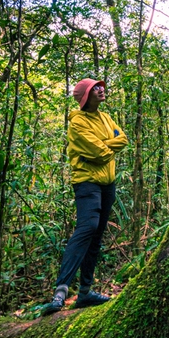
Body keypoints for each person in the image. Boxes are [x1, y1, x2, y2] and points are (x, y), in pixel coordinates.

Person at [42, 78, 128, 315]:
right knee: (87, 227)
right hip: (86, 181)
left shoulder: (106, 117)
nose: (101, 90)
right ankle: (60, 292)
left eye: (101, 87)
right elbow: (100, 153)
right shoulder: (77, 123)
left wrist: (104, 145)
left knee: (97, 233)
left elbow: (123, 139)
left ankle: (85, 292)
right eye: (95, 89)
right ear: (85, 97)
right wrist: (106, 146)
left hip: (107, 183)